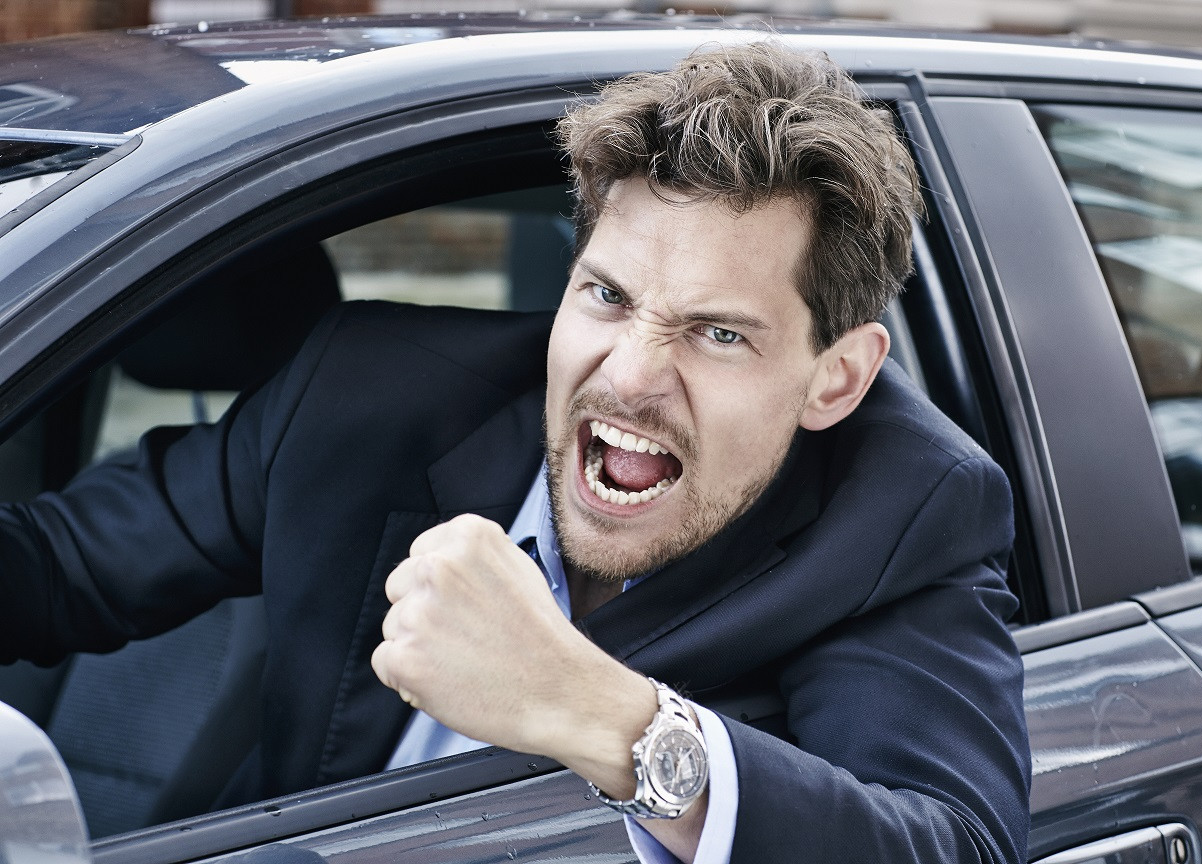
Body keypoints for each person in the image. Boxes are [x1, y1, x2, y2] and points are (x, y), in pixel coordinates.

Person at [0, 41, 1028, 864]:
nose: (628, 377)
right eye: (608, 297)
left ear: (834, 379)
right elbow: (53, 566)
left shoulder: (901, 514)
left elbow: (956, 846)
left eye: (718, 332)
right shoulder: (368, 395)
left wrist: (601, 716)